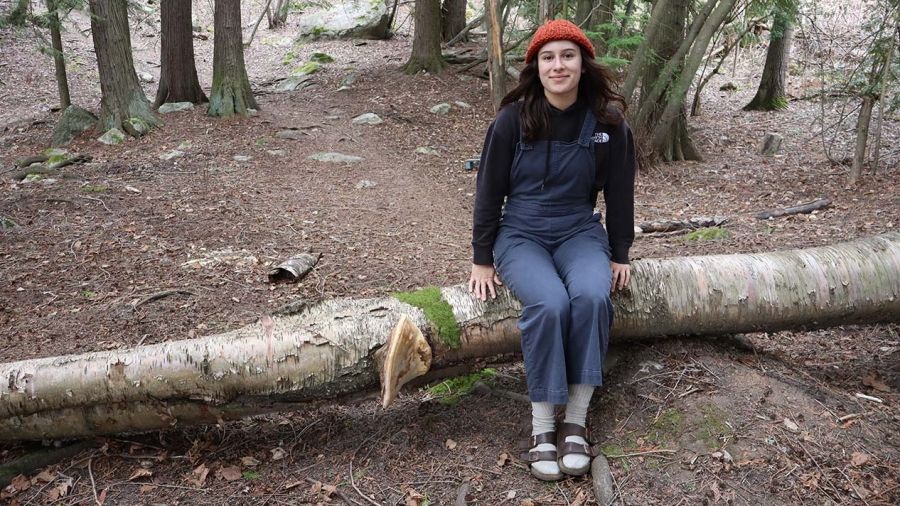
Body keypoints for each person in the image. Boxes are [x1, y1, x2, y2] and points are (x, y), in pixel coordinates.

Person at [468, 19, 636, 481]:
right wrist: (483, 257)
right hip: (520, 233)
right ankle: (543, 428)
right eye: (548, 57)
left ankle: (576, 423)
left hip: (579, 230)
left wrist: (619, 251)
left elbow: (621, 194)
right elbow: (488, 193)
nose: (557, 65)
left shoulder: (608, 124)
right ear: (536, 67)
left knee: (591, 296)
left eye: (567, 55)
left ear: (583, 64)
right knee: (548, 302)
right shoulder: (512, 120)